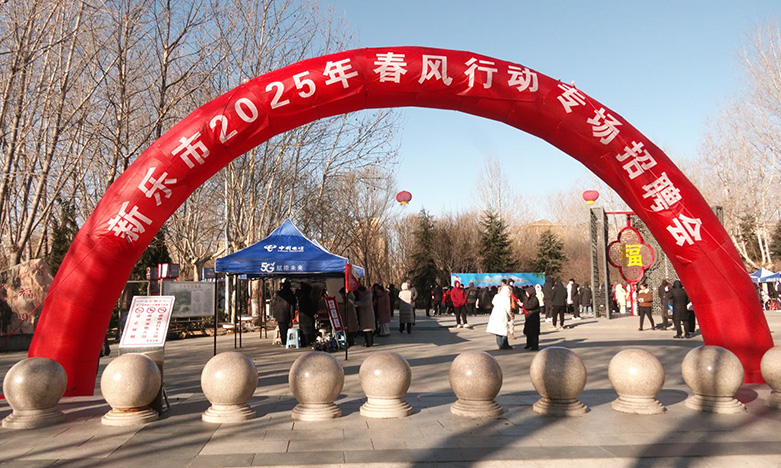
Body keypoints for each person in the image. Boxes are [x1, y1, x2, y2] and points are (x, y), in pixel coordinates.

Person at [486, 280, 513, 349]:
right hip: (503, 314)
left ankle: (500, 344)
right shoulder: (506, 298)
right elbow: (508, 309)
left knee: (497, 330)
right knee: (504, 329)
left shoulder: (497, 296)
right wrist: (511, 315)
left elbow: (493, 302)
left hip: (495, 313)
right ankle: (505, 344)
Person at [272, 280, 296, 346]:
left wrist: (274, 314)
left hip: (279, 313)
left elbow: (274, 304)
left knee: (282, 328)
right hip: (287, 313)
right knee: (287, 328)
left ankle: (284, 341)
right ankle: (286, 341)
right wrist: (292, 315)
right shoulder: (290, 294)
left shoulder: (278, 294)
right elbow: (292, 305)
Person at [296, 282, 316, 347]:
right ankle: (308, 342)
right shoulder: (307, 298)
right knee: (308, 330)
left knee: (304, 330)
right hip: (307, 317)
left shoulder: (301, 297)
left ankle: (305, 342)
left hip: (303, 316)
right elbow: (311, 308)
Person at [522, 286, 541, 350]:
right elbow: (525, 305)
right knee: (528, 332)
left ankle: (534, 346)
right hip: (528, 317)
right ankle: (528, 344)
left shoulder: (535, 299)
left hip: (534, 317)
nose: (526, 293)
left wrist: (523, 305)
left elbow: (531, 306)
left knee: (534, 333)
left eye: (527, 292)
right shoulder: (526, 298)